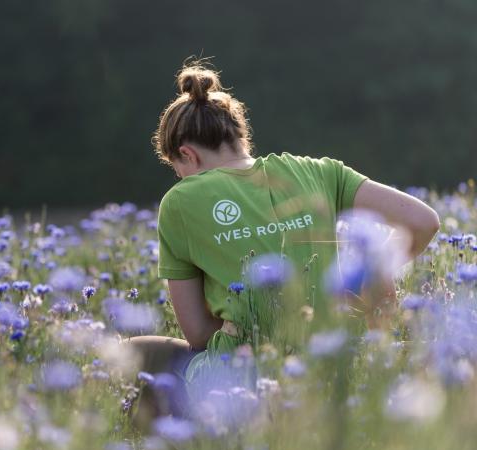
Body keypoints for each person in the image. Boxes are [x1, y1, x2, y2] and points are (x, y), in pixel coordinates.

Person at [122, 59, 440, 421]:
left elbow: (196, 334)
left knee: (133, 355)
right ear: (241, 137)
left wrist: (251, 330)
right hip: (338, 371)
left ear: (186, 155)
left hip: (244, 386)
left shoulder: (180, 201)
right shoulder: (320, 171)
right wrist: (366, 277)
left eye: (178, 172)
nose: (181, 180)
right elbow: (423, 221)